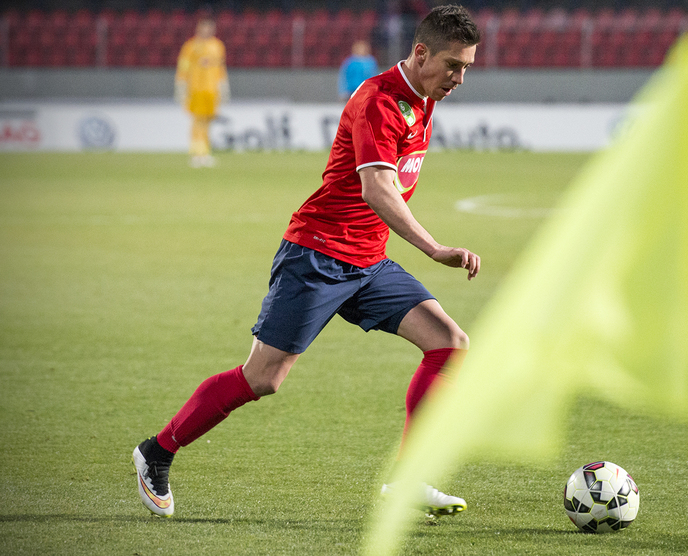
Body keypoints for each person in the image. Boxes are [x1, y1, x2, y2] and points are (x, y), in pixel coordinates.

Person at [133, 5, 482, 519]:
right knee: (263, 378)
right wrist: (434, 248)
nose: (459, 78)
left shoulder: (424, 98)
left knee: (449, 343)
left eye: (467, 68)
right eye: (453, 65)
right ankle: (156, 451)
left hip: (368, 261)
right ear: (421, 52)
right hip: (318, 255)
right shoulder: (379, 101)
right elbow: (377, 188)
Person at [175, 16, 229, 168]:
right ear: (198, 28)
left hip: (211, 90)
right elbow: (183, 67)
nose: (207, 30)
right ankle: (196, 154)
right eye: (204, 27)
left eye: (210, 27)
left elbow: (221, 68)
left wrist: (223, 86)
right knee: (197, 120)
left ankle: (204, 152)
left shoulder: (218, 46)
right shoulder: (190, 46)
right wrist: (180, 85)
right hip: (196, 89)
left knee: (207, 121)